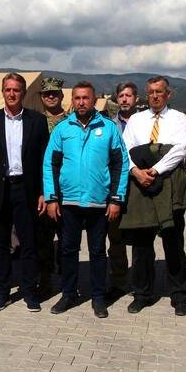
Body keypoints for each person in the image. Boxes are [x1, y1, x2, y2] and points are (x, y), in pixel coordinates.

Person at [44, 81, 128, 318]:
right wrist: (51, 198)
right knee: (68, 250)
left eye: (86, 98)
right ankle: (69, 294)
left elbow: (120, 165)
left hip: (99, 202)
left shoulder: (109, 128)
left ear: (94, 100)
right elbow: (50, 164)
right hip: (68, 202)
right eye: (77, 98)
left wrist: (116, 199)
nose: (81, 102)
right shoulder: (62, 129)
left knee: (98, 251)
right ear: (72, 101)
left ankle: (98, 297)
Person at [0, 72, 49, 312]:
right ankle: (3, 292)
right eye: (8, 90)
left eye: (16, 90)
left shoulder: (37, 121)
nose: (12, 94)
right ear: (2, 93)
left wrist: (42, 192)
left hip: (26, 189)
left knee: (28, 243)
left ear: (24, 93)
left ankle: (29, 292)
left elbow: (43, 161)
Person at [120, 76, 186, 316]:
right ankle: (143, 293)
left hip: (168, 182)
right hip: (140, 184)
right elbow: (124, 148)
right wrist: (136, 172)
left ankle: (179, 294)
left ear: (168, 94)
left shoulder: (179, 119)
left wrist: (156, 169)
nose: (155, 96)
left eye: (160, 92)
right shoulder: (137, 120)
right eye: (151, 92)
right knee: (141, 245)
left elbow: (180, 150)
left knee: (173, 241)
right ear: (146, 94)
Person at [103, 81, 139, 300]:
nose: (124, 99)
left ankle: (142, 283)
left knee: (140, 240)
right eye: (121, 96)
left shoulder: (145, 123)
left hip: (138, 188)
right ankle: (117, 283)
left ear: (136, 98)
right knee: (115, 239)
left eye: (128, 95)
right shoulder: (108, 126)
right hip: (114, 188)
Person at [37, 77, 69, 297]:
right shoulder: (34, 121)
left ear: (61, 95)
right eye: (47, 93)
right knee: (42, 239)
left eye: (54, 93)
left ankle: (68, 282)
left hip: (67, 188)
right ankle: (45, 280)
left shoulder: (72, 121)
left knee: (68, 239)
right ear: (41, 97)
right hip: (42, 189)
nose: (51, 96)